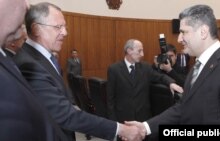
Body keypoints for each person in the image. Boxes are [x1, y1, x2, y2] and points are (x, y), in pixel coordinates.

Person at [13, 2, 143, 141]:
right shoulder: (29, 65)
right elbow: (65, 115)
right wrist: (121, 129)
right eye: (58, 27)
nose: (65, 32)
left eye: (65, 27)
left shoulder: (40, 58)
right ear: (36, 29)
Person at [126, 4, 220, 140]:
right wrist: (145, 127)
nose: (179, 39)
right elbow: (184, 107)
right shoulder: (198, 65)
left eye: (183, 32)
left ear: (203, 32)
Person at [0, 0, 69, 140]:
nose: (27, 5)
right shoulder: (26, 63)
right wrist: (118, 129)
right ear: (37, 29)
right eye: (58, 27)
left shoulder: (7, 60)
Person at [106, 39, 184, 140]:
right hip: (123, 121)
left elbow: (160, 77)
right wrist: (114, 124)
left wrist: (171, 83)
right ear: (129, 50)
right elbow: (110, 99)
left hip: (143, 120)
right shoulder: (114, 69)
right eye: (139, 51)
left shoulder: (145, 67)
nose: (142, 54)